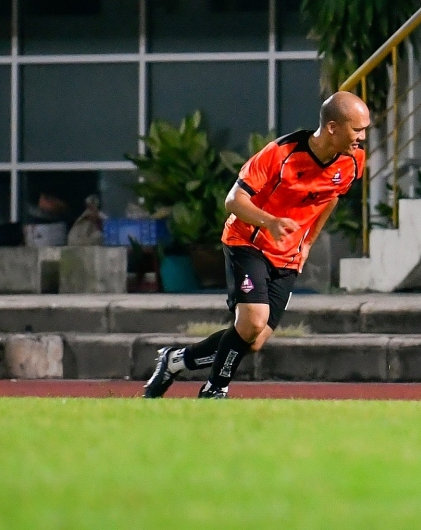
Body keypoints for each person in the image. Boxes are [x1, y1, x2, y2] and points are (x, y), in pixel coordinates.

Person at [144, 91, 369, 399]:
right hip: (248, 242)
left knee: (254, 340)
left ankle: (175, 361)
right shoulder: (280, 154)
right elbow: (233, 201)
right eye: (357, 129)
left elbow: (330, 198)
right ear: (332, 127)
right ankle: (215, 389)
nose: (362, 137)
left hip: (288, 256)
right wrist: (270, 222)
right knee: (252, 321)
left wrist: (307, 243)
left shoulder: (353, 161)